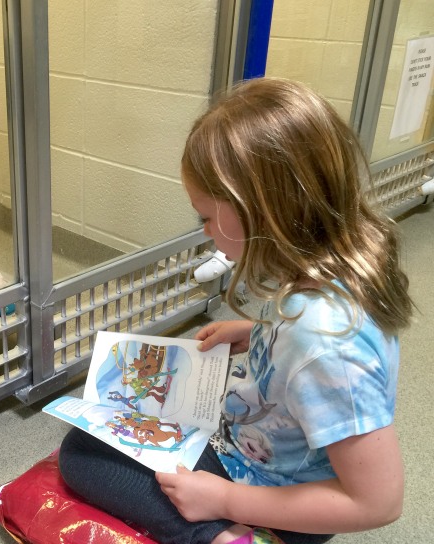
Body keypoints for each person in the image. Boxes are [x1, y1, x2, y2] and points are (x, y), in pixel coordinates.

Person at [58, 77, 414, 544]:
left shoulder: (323, 341)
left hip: (278, 495)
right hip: (262, 448)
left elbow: (379, 502)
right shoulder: (327, 273)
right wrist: (257, 332)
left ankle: (221, 536)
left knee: (81, 454)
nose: (205, 231)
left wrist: (222, 501)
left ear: (260, 209)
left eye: (206, 217)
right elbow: (316, 359)